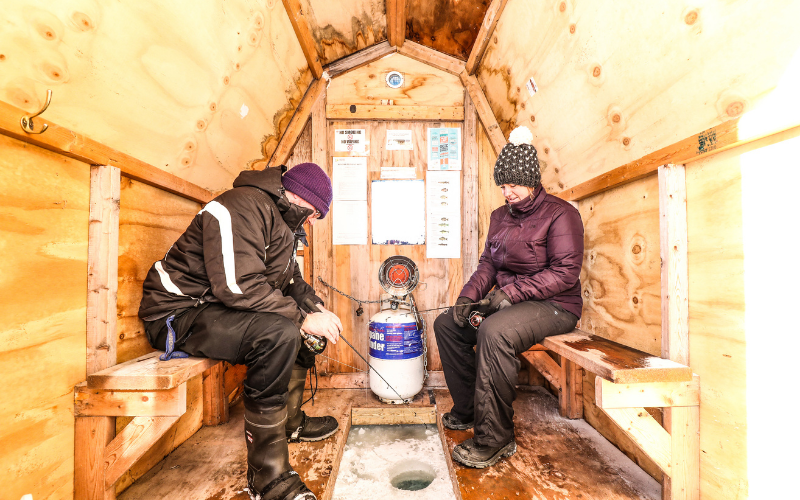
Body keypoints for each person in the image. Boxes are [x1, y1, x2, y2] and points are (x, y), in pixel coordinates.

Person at [138, 163, 343, 500]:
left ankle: (290, 423)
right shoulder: (240, 206)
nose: (309, 223)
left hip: (216, 308)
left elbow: (289, 281)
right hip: (178, 313)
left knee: (303, 330)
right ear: (298, 197)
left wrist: (314, 307)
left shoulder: (282, 221)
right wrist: (301, 319)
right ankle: (267, 478)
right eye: (312, 215)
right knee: (282, 332)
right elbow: (238, 286)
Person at [434, 126, 584, 469]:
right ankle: (469, 409)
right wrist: (467, 298)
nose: (507, 192)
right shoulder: (499, 217)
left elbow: (565, 273)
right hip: (509, 301)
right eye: (502, 185)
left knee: (495, 331)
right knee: (446, 324)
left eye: (513, 184)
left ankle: (495, 437)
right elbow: (488, 263)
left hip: (556, 305)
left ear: (531, 180)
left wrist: (508, 294)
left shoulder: (562, 214)